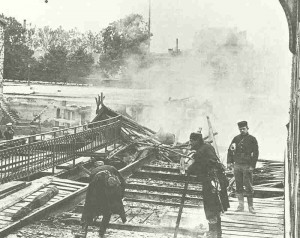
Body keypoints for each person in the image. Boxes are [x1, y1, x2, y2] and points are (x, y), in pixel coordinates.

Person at [187, 132, 229, 238]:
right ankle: (217, 233)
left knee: (211, 207)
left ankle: (213, 234)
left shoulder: (201, 151)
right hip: (216, 181)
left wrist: (188, 169)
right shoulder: (206, 147)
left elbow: (199, 166)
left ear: (197, 141)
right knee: (216, 208)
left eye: (192, 140)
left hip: (212, 183)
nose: (190, 143)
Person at [81, 162, 126, 238]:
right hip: (106, 192)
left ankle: (83, 230)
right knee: (107, 213)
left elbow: (91, 188)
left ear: (96, 166)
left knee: (88, 209)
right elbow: (123, 182)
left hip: (96, 194)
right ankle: (101, 233)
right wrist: (120, 195)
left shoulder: (93, 172)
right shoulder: (112, 168)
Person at [227, 121, 259, 214]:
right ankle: (240, 206)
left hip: (247, 165)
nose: (242, 130)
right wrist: (229, 162)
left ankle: (251, 207)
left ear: (247, 128)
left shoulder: (252, 139)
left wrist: (252, 166)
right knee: (238, 185)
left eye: (243, 129)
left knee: (248, 186)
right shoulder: (236, 138)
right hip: (237, 165)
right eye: (240, 129)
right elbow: (230, 150)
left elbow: (256, 153)